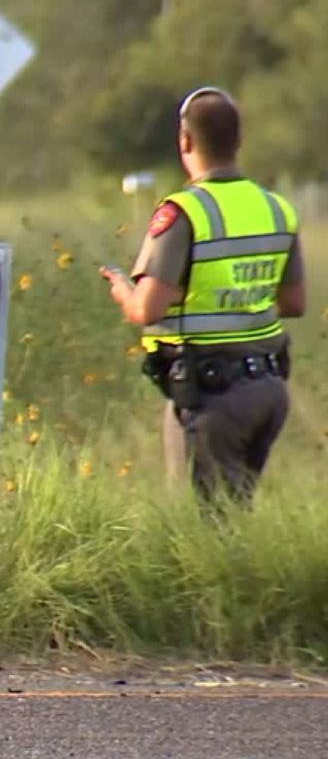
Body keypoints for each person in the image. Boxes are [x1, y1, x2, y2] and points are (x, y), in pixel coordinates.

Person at [100, 86, 307, 507]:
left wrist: (122, 288)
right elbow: (294, 302)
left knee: (203, 533)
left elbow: (147, 308)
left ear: (186, 141)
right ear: (238, 141)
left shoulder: (183, 211)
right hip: (267, 389)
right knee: (233, 516)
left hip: (214, 396)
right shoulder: (276, 208)